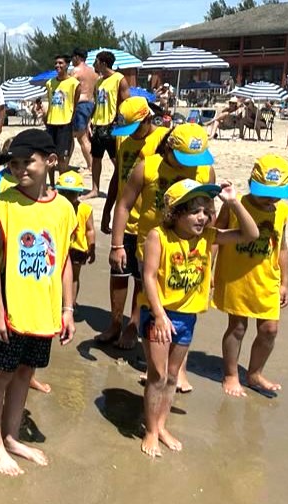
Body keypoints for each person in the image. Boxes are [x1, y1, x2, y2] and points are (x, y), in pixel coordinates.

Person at [138, 179, 257, 457]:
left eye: (206, 210)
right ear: (175, 212)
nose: (202, 217)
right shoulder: (159, 236)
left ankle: (163, 426)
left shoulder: (209, 236)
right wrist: (158, 315)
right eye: (194, 211)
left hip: (187, 316)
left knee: (171, 376)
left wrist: (234, 202)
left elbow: (250, 235)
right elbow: (149, 277)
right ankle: (151, 430)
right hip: (159, 313)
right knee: (156, 375)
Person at [0, 129, 77, 476]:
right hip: (9, 305)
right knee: (0, 373)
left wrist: (68, 309)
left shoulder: (65, 208)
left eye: (28, 162)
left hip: (45, 309)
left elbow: (64, 260)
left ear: (50, 161)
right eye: (15, 164)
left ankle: (11, 436)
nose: (20, 169)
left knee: (24, 373)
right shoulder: (2, 204)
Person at [110, 122, 215, 380]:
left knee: (186, 302)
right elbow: (124, 205)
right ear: (169, 148)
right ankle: (155, 361)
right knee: (153, 298)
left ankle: (179, 367)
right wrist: (117, 245)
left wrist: (211, 266)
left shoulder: (205, 170)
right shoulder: (148, 166)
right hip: (152, 244)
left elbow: (210, 216)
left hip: (190, 247)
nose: (190, 164)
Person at [214, 155, 288, 397]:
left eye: (276, 193)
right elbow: (214, 237)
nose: (270, 198)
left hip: (268, 279)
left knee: (270, 329)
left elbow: (283, 247)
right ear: (250, 183)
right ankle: (231, 374)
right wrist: (208, 271)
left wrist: (285, 283)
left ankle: (255, 373)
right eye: (264, 192)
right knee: (237, 327)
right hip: (237, 278)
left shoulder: (283, 211)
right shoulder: (235, 205)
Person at [97, 97, 168, 350]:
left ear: (148, 118)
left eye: (136, 126)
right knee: (118, 273)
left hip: (148, 225)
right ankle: (115, 323)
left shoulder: (162, 138)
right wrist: (107, 209)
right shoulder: (122, 140)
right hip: (124, 219)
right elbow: (118, 175)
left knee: (141, 277)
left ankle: (133, 325)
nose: (131, 133)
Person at [87, 50, 130, 199]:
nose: (94, 65)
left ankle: (125, 189)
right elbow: (96, 104)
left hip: (112, 125)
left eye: (96, 62)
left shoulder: (119, 79)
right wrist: (89, 121)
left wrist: (121, 124)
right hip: (97, 125)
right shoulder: (99, 81)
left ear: (103, 63)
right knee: (96, 159)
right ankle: (95, 189)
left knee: (117, 160)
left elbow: (127, 103)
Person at [55, 171, 96, 303]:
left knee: (73, 277)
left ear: (79, 193)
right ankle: (57, 301)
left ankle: (71, 303)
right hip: (58, 248)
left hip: (77, 248)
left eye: (71, 193)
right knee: (57, 275)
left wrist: (92, 248)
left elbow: (90, 230)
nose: (67, 196)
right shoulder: (56, 208)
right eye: (64, 192)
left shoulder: (84, 209)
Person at [44, 55, 79, 187]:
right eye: (56, 63)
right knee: (50, 155)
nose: (57, 66)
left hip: (65, 122)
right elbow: (50, 102)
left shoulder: (74, 83)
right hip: (52, 122)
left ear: (67, 65)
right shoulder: (50, 83)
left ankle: (62, 183)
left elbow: (75, 103)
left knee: (62, 157)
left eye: (61, 63)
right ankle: (52, 184)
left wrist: (71, 120)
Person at [70, 48, 98, 171]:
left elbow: (69, 89)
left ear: (77, 57)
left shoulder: (76, 71)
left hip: (80, 104)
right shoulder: (93, 72)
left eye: (72, 58)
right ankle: (66, 161)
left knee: (81, 137)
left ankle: (91, 165)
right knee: (79, 135)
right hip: (90, 104)